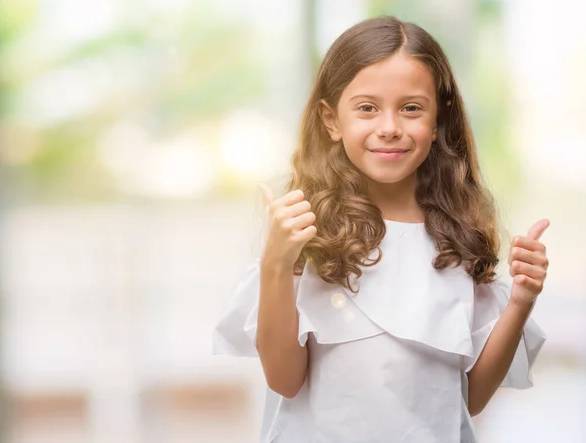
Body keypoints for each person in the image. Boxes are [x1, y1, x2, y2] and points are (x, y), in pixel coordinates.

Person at [212, 16, 549, 443]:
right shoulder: (309, 236)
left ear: (438, 119)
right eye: (367, 108)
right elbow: (284, 379)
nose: (389, 127)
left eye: (410, 108)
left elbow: (472, 397)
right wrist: (276, 264)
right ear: (332, 120)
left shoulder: (456, 242)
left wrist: (520, 300)